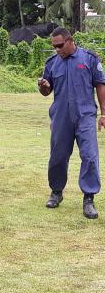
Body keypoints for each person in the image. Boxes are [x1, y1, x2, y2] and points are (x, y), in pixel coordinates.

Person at [38, 27, 105, 219]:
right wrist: (43, 86)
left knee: (90, 156)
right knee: (58, 156)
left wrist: (103, 113)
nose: (57, 49)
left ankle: (89, 199)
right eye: (54, 46)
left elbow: (100, 85)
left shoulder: (89, 59)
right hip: (61, 117)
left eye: (60, 45)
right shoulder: (52, 63)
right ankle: (56, 192)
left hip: (85, 116)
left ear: (70, 41)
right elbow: (46, 91)